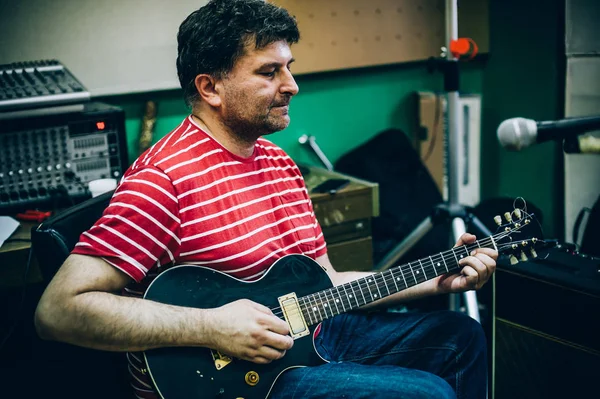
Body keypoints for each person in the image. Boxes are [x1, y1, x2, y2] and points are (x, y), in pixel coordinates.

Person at [34, 1, 497, 398]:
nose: (292, 85)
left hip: (309, 338)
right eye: (269, 72)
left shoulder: (278, 163)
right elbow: (60, 310)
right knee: (429, 394)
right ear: (209, 88)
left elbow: (327, 284)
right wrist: (213, 327)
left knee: (462, 337)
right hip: (241, 380)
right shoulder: (164, 179)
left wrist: (439, 279)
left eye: (289, 67)